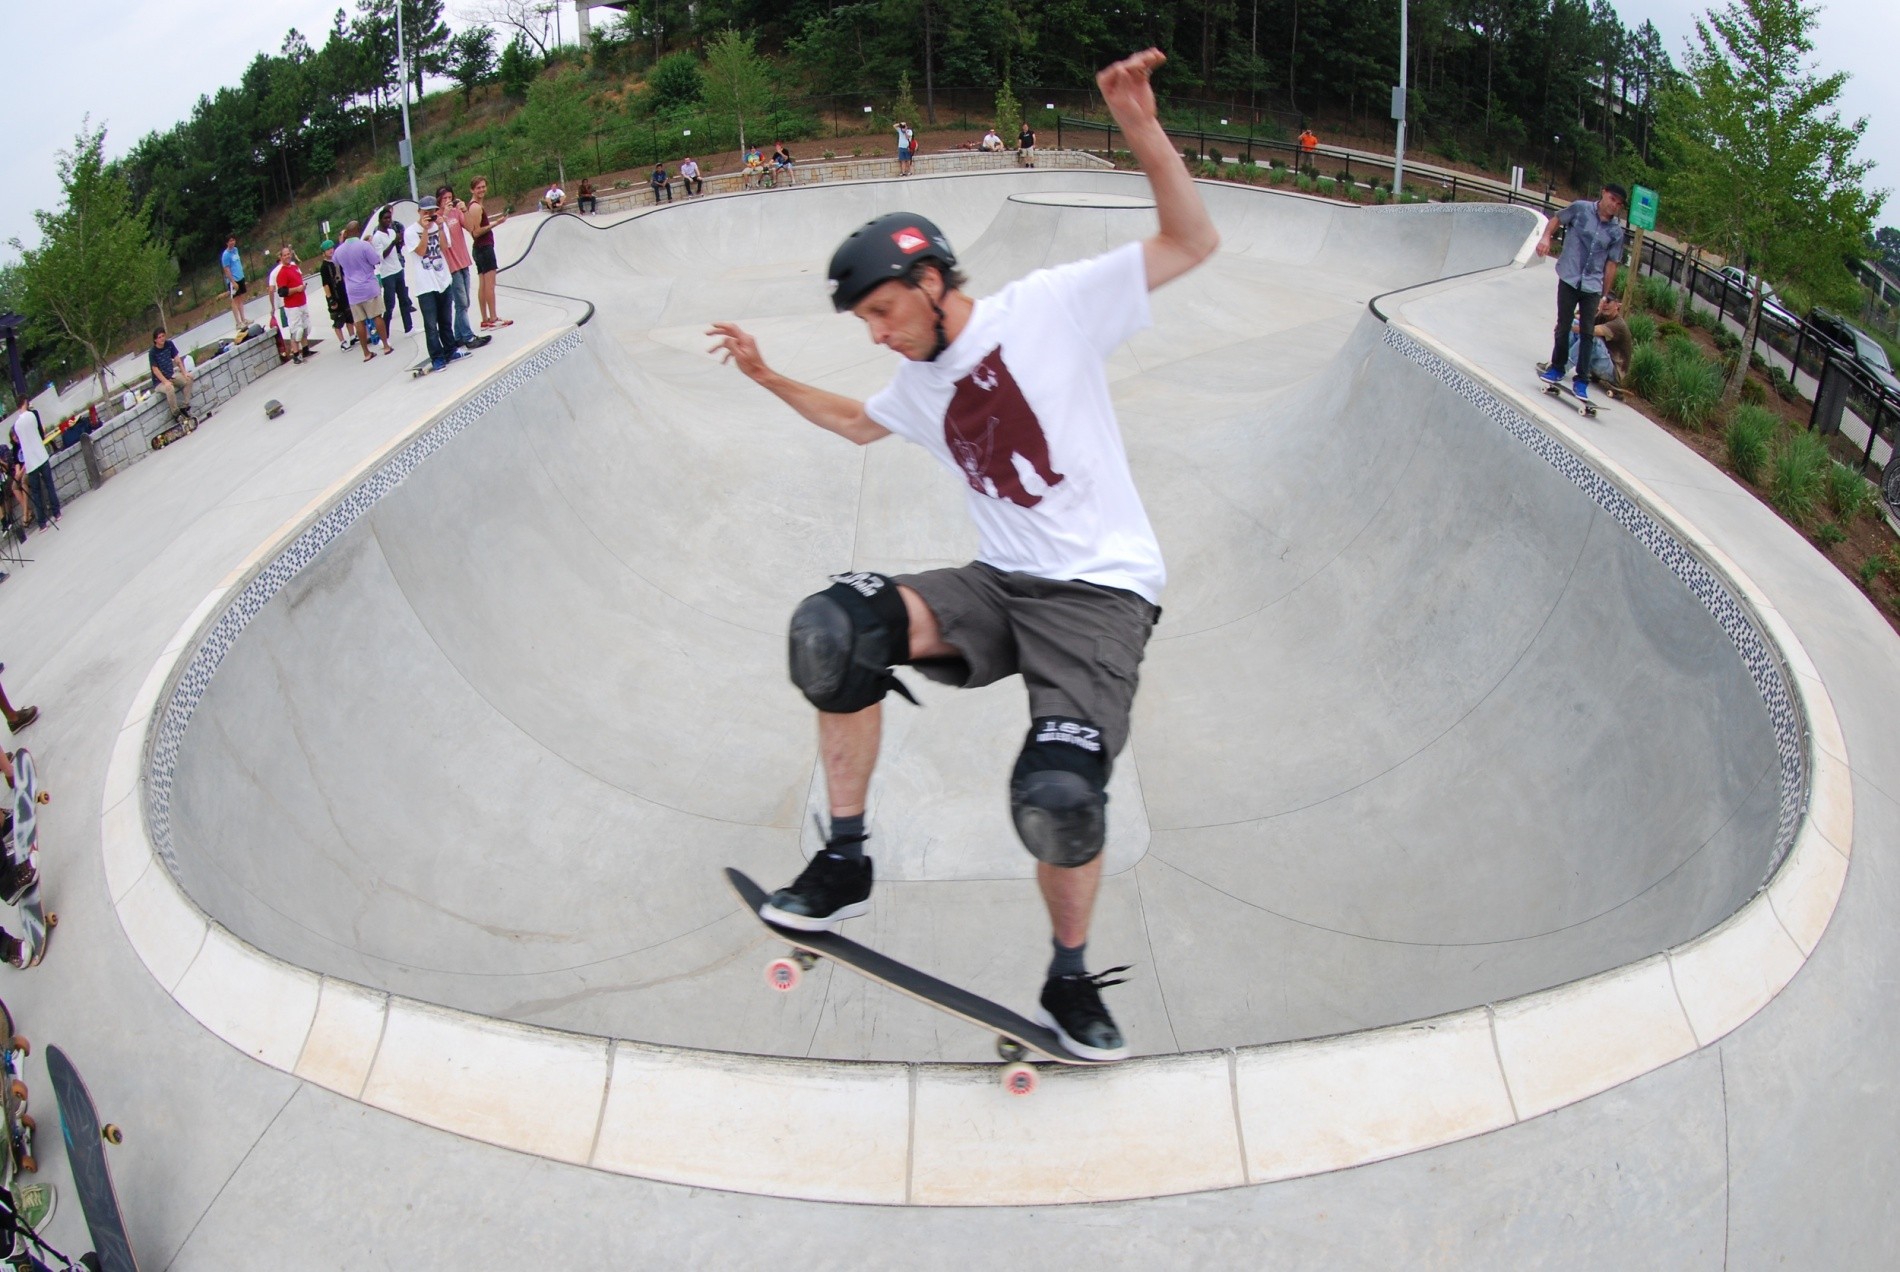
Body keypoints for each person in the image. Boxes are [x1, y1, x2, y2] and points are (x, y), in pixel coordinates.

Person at [705, 48, 1217, 1061]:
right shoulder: (913, 383)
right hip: (997, 585)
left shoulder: (1051, 309)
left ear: (931, 281)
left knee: (1059, 800)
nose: (878, 337)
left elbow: (1191, 239)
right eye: (863, 323)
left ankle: (1071, 981)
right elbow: (858, 423)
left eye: (884, 313)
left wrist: (1142, 129)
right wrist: (766, 376)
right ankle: (845, 863)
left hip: (1101, 596)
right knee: (833, 633)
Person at [1536, 183, 1628, 403]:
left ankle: (1581, 380)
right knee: (1564, 324)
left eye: (1619, 203)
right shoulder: (1580, 208)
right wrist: (1546, 237)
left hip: (1592, 285)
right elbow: (1557, 219)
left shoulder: (1616, 232)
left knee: (1587, 332)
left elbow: (1611, 264)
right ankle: (1557, 367)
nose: (1614, 205)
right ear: (1603, 193)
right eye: (1612, 199)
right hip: (1569, 276)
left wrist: (1604, 295)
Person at [406, 196, 466, 373]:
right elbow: (421, 251)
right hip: (425, 285)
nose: (430, 215)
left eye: (432, 212)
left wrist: (439, 226)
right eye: (426, 212)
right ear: (419, 212)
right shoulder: (410, 232)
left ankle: (450, 350)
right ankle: (437, 357)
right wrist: (425, 230)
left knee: (445, 320)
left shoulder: (440, 225)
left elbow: (445, 247)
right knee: (431, 326)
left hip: (442, 279)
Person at [435, 185, 489, 351]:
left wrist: (464, 210)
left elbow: (472, 228)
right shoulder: (437, 217)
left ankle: (458, 336)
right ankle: (467, 336)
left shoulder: (455, 213)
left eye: (449, 198)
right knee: (461, 302)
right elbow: (438, 239)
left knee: (464, 301)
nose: (447, 202)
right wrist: (443, 214)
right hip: (451, 264)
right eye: (444, 199)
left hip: (463, 259)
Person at [332, 220, 395, 360]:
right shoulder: (364, 245)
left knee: (359, 321)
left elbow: (335, 262)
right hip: (368, 286)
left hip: (352, 290)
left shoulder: (339, 250)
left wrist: (341, 242)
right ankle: (385, 345)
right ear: (358, 230)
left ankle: (366, 353)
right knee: (377, 316)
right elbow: (375, 261)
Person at [468, 176, 512, 330]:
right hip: (484, 248)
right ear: (472, 190)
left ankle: (485, 318)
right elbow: (476, 232)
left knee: (483, 284)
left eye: (483, 187)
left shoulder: (475, 206)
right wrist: (496, 223)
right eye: (478, 187)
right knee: (489, 285)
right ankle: (492, 317)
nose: (482, 190)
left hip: (480, 249)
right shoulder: (475, 207)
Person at [8, 403, 58, 533]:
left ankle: (41, 522)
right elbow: (40, 432)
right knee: (47, 485)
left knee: (36, 491)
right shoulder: (32, 416)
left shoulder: (20, 425)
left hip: (31, 465)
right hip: (39, 458)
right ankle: (55, 513)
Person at [1565, 293, 1634, 385]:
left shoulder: (1618, 324)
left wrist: (1565, 325)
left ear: (1618, 305)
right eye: (1603, 301)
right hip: (1600, 361)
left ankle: (1562, 366)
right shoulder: (1601, 316)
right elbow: (1579, 318)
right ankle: (1561, 358)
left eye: (1608, 301)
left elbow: (1590, 331)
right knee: (1574, 322)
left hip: (1613, 372)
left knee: (1592, 338)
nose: (1605, 304)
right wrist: (1596, 309)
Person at [371, 205, 415, 335]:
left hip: (397, 269)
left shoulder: (391, 232)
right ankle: (385, 334)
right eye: (385, 218)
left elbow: (398, 247)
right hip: (387, 274)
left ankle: (409, 328)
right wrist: (393, 242)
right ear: (380, 220)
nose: (388, 220)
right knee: (389, 305)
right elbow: (381, 256)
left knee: (404, 300)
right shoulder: (377, 237)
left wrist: (398, 241)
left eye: (389, 218)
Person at [273, 246, 318, 363]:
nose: (287, 256)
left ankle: (305, 349)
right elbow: (282, 292)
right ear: (281, 257)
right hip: (292, 306)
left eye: (288, 254)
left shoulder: (294, 267)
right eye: (285, 255)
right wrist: (296, 289)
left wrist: (301, 288)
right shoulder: (281, 273)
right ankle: (296, 354)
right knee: (296, 330)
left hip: (302, 301)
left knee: (305, 327)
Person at [148, 328, 196, 420]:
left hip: (171, 375)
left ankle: (184, 406)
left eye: (163, 336)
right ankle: (176, 413)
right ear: (155, 340)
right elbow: (155, 370)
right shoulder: (152, 352)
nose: (162, 339)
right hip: (160, 382)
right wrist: (165, 382)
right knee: (169, 388)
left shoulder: (169, 344)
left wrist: (184, 372)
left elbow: (177, 360)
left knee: (189, 379)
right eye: (159, 337)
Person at [318, 241, 356, 350]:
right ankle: (342, 342)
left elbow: (344, 276)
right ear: (324, 253)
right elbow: (325, 284)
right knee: (338, 319)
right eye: (327, 249)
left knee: (349, 315)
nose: (330, 250)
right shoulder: (324, 267)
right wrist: (330, 299)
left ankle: (352, 336)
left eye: (331, 248)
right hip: (334, 295)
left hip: (343, 292)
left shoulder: (337, 261)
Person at [221, 235, 249, 329]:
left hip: (240, 277)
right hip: (234, 280)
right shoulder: (226, 255)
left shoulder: (235, 250)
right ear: (227, 243)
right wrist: (232, 282)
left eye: (233, 240)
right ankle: (238, 322)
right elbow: (226, 269)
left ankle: (243, 319)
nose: (232, 242)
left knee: (240, 298)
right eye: (230, 241)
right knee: (234, 300)